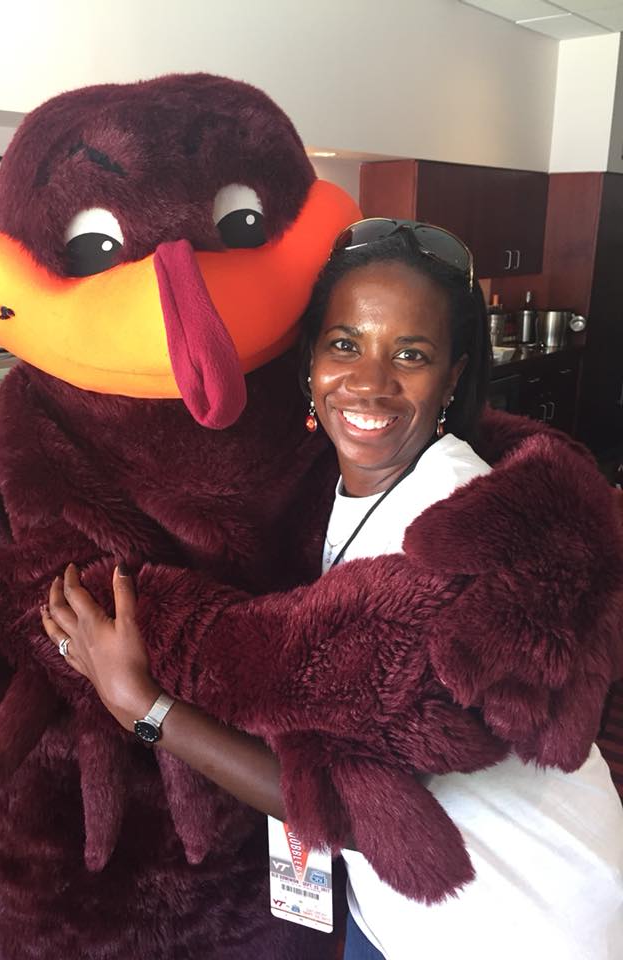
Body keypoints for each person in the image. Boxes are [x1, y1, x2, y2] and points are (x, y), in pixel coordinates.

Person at [42, 219, 623, 960]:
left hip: (519, 922)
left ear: (451, 377)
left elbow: (346, 800)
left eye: (410, 355)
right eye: (345, 344)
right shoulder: (356, 485)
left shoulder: (454, 532)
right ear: (309, 361)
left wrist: (143, 708)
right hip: (401, 911)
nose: (371, 382)